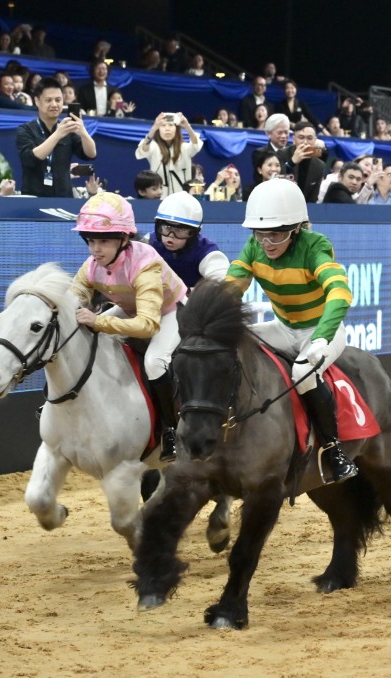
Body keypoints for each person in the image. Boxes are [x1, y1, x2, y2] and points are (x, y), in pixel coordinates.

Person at [224, 179, 359, 484]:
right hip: (284, 328)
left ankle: (334, 451)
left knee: (302, 372)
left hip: (322, 329)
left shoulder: (315, 247)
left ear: (297, 228)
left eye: (278, 234)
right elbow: (231, 287)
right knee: (230, 343)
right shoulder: (253, 247)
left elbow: (340, 293)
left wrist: (323, 337)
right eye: (261, 234)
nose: (268, 242)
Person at [70, 193, 188, 462]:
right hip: (133, 307)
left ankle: (170, 431)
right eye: (91, 241)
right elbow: (71, 300)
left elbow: (147, 325)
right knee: (85, 334)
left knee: (155, 362)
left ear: (124, 240)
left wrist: (98, 321)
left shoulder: (146, 263)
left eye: (103, 241)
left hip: (170, 311)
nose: (95, 249)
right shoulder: (91, 266)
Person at [15, 78, 97, 197]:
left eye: (58, 100)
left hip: (64, 197)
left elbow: (91, 154)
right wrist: (57, 134)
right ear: (37, 101)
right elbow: (30, 158)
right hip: (34, 197)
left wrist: (83, 132)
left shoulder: (68, 129)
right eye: (48, 100)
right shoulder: (25, 130)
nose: (54, 104)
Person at [150, 192, 229, 288]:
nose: (171, 236)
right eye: (167, 227)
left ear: (193, 233)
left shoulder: (207, 252)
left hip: (195, 301)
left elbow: (223, 284)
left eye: (179, 230)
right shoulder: (148, 244)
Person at [135, 112, 203, 197]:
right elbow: (143, 149)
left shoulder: (184, 148)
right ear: (158, 129)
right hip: (160, 199)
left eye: (171, 125)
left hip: (183, 199)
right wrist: (154, 128)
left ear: (176, 129)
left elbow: (196, 145)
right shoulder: (153, 147)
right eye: (163, 126)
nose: (167, 129)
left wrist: (187, 126)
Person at [280, 121, 326, 203]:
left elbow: (313, 198)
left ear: (315, 140)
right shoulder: (282, 154)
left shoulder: (319, 165)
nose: (305, 142)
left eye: (309, 138)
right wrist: (292, 162)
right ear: (294, 139)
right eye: (301, 137)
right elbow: (275, 180)